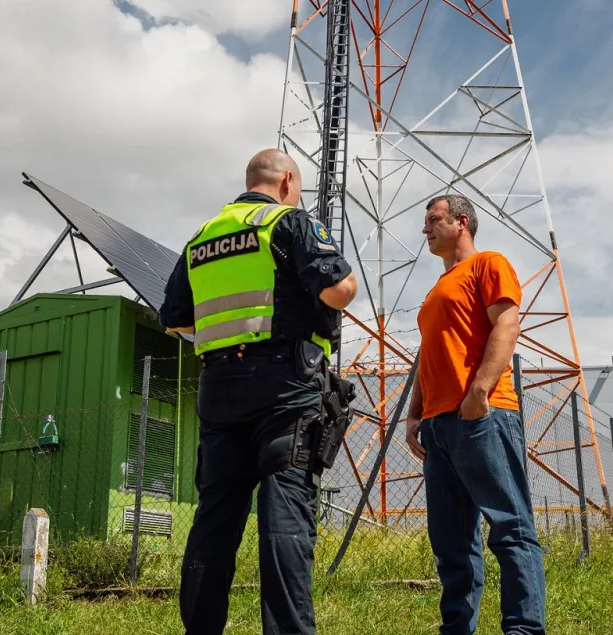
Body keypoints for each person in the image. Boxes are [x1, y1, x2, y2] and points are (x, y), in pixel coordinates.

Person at [158, 148, 359, 635]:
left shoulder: (203, 236)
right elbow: (341, 289)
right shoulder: (288, 224)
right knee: (284, 516)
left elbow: (175, 318)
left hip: (219, 390)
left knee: (215, 520)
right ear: (288, 179)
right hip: (284, 388)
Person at [404, 194, 547, 635]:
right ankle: (457, 630)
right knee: (451, 541)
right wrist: (414, 415)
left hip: (483, 416)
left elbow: (506, 325)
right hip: (438, 425)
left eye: (433, 220)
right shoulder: (435, 291)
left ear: (461, 221)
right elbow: (430, 353)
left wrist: (480, 390)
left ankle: (523, 629)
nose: (425, 229)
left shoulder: (489, 264)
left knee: (509, 526)